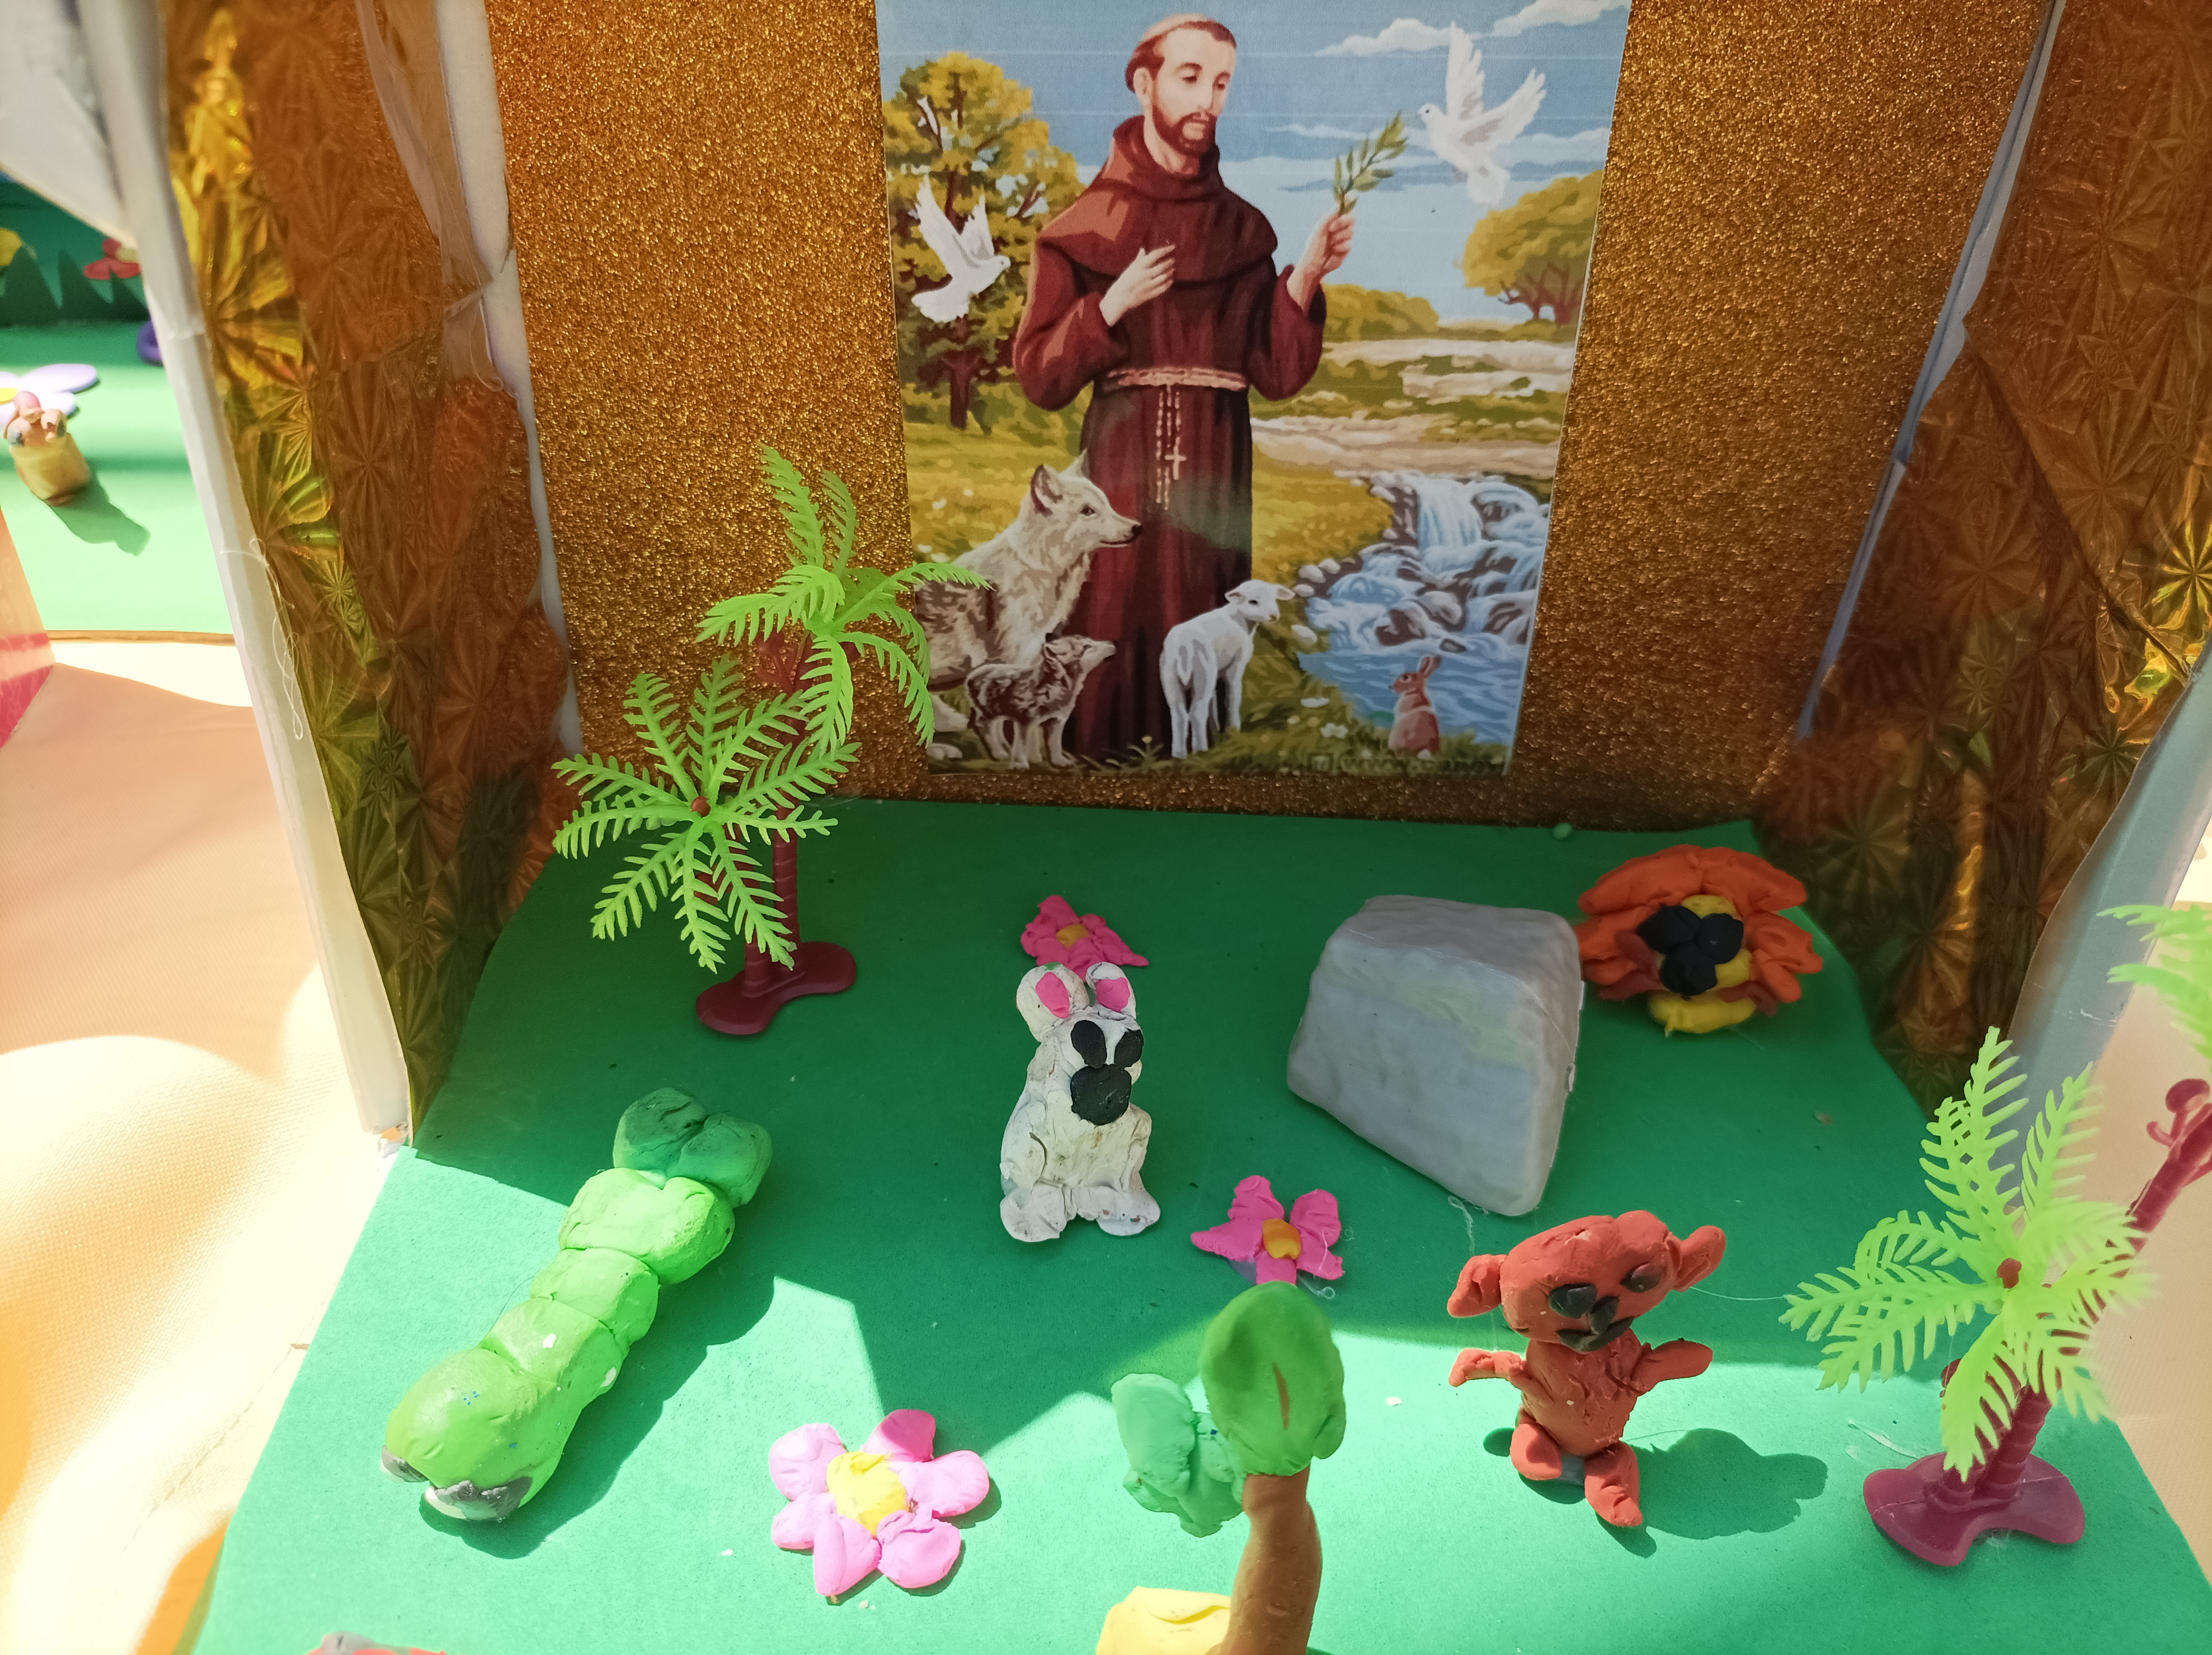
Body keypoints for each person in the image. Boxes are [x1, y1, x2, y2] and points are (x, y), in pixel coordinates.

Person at [1013, 13, 1354, 761]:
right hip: (1123, 454)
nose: (1209, 100)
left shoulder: (1243, 232)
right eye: (1191, 77)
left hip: (1215, 459)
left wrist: (1302, 279)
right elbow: (1039, 376)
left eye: (1222, 82)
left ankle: (1202, 756)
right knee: (1116, 594)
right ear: (1145, 84)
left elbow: (1275, 373)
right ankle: (1097, 743)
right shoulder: (1082, 229)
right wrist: (1108, 307)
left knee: (1206, 603)